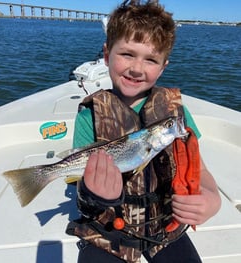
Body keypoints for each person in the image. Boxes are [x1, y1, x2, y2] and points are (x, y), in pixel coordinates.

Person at [66, 1, 221, 262]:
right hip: (107, 231)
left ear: (163, 66)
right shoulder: (89, 114)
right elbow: (79, 183)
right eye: (127, 54)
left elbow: (200, 170)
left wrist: (212, 199)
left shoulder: (175, 111)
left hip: (166, 228)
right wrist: (96, 196)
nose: (137, 68)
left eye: (151, 59)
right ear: (106, 55)